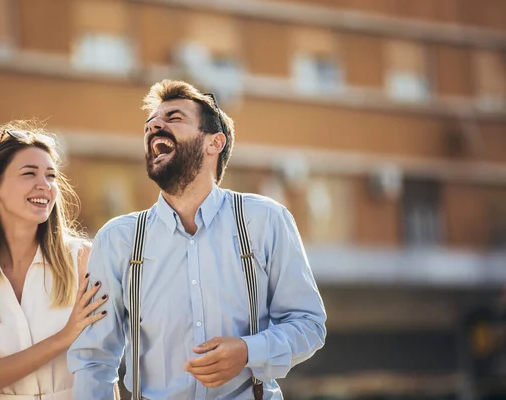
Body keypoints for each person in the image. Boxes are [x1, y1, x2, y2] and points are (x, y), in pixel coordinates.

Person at [68, 80, 327, 399]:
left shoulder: (266, 221)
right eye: (150, 125)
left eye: (174, 118)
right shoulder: (118, 239)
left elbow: (308, 324)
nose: (155, 127)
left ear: (214, 143)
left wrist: (249, 351)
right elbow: (94, 358)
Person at [0, 121, 117, 400]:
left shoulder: (82, 258)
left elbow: (102, 368)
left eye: (51, 175)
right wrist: (63, 338)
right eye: (29, 173)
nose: (44, 185)